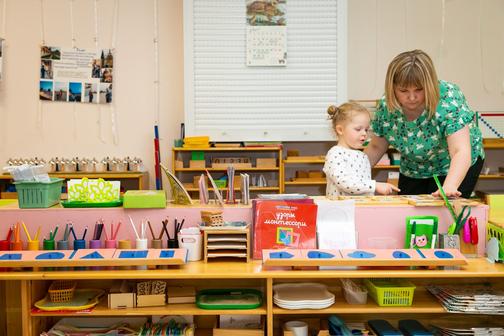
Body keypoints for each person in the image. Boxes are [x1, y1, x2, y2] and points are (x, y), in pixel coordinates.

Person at [365, 49, 484, 198]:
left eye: (419, 90)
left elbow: (460, 151)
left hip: (453, 163)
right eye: (403, 90)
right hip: (414, 167)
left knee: (444, 214)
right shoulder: (386, 106)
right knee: (410, 214)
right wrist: (353, 176)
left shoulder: (448, 98)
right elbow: (376, 146)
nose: (412, 97)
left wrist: (449, 186)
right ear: (393, 88)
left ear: (429, 85)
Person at [323, 102, 400, 198]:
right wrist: (375, 185)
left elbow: (364, 185)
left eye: (366, 129)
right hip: (342, 210)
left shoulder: (362, 156)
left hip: (360, 207)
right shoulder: (335, 154)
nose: (364, 133)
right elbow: (345, 183)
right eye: (358, 129)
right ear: (340, 130)